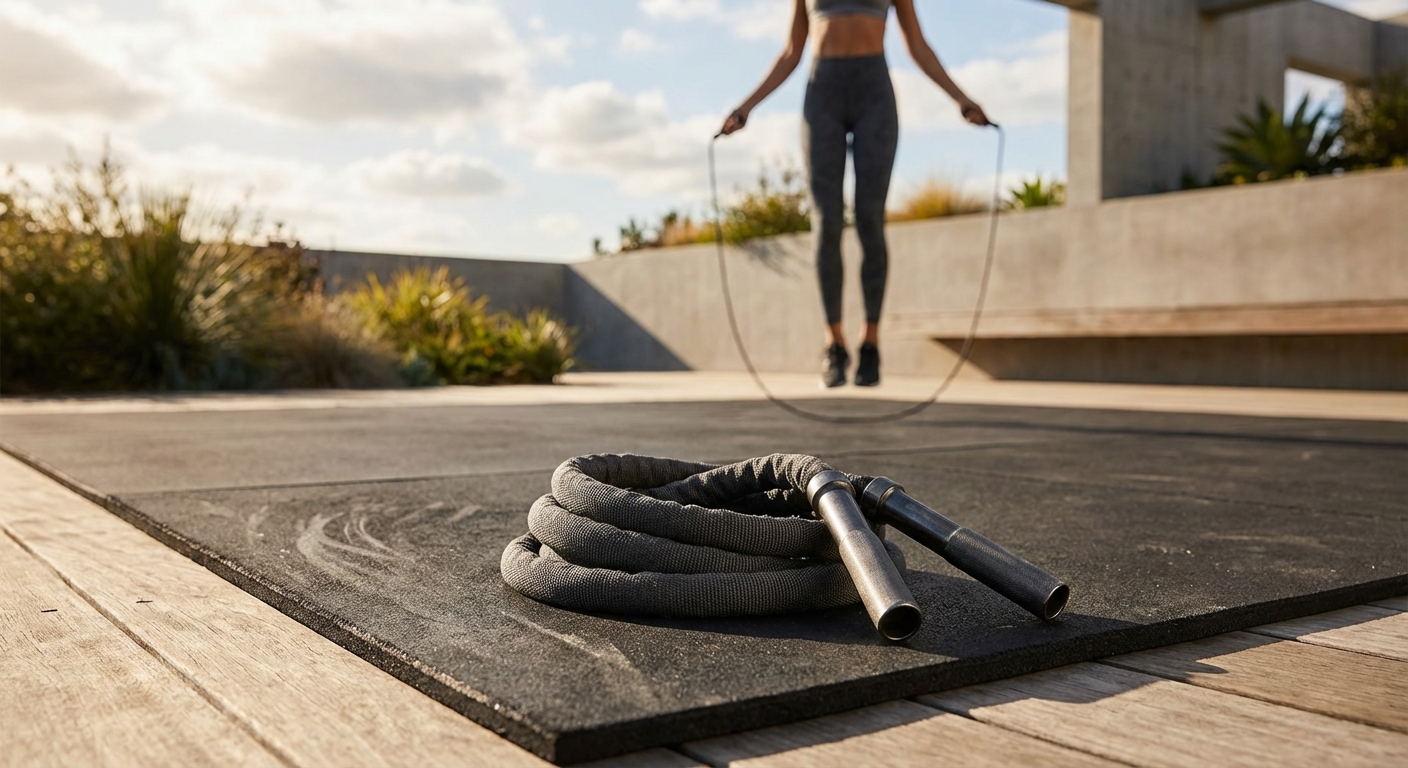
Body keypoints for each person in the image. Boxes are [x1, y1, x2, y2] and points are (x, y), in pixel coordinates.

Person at [719, 0, 989, 388]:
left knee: (869, 220)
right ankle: (834, 343)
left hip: (873, 93)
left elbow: (917, 44)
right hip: (823, 91)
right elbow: (792, 52)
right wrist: (746, 108)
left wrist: (960, 98)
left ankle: (871, 344)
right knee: (826, 222)